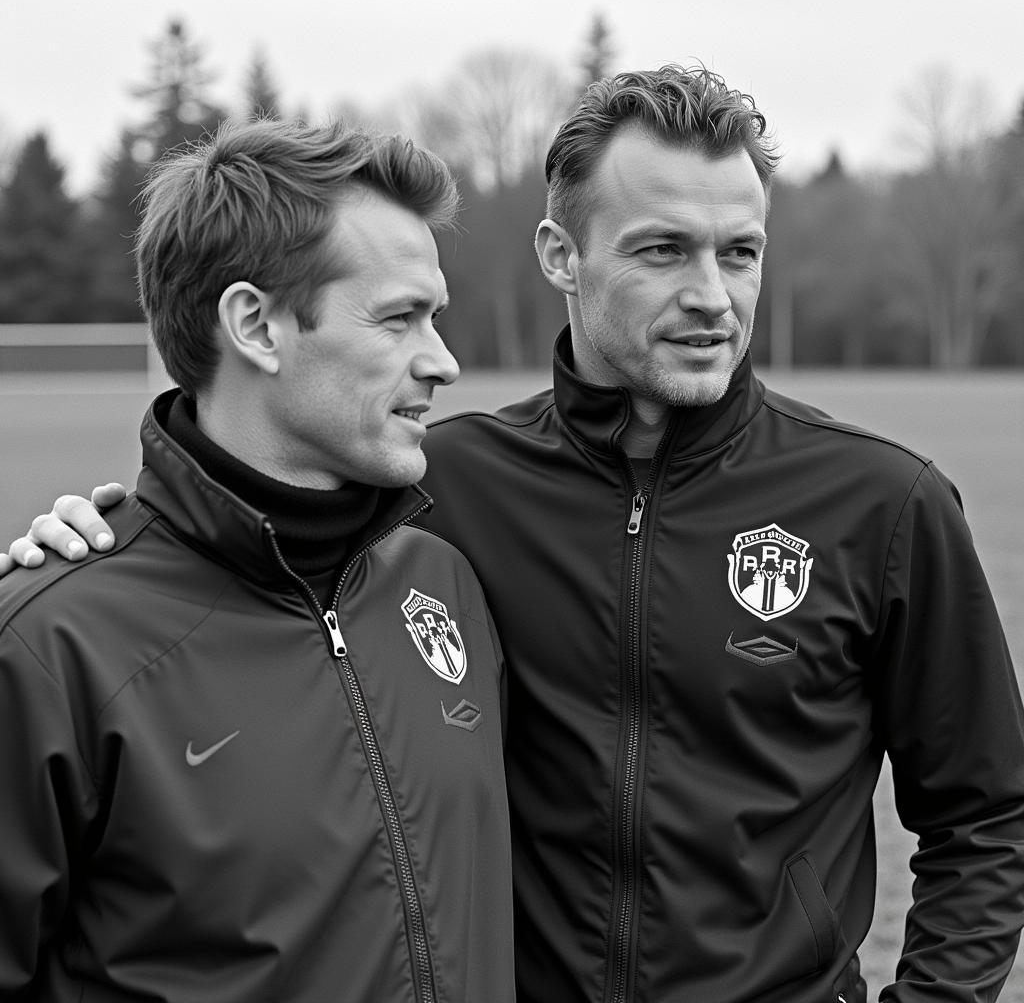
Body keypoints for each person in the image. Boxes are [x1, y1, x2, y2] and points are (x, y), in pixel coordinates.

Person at [6, 64, 1024, 1003]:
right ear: (559, 255)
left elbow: (986, 813)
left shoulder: (883, 502)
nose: (712, 296)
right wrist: (106, 539)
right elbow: (245, 534)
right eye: (663, 248)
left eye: (741, 251)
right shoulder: (433, 489)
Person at [0, 119, 515, 1002]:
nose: (446, 361)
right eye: (401, 319)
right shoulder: (51, 647)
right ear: (257, 327)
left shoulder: (442, 583)